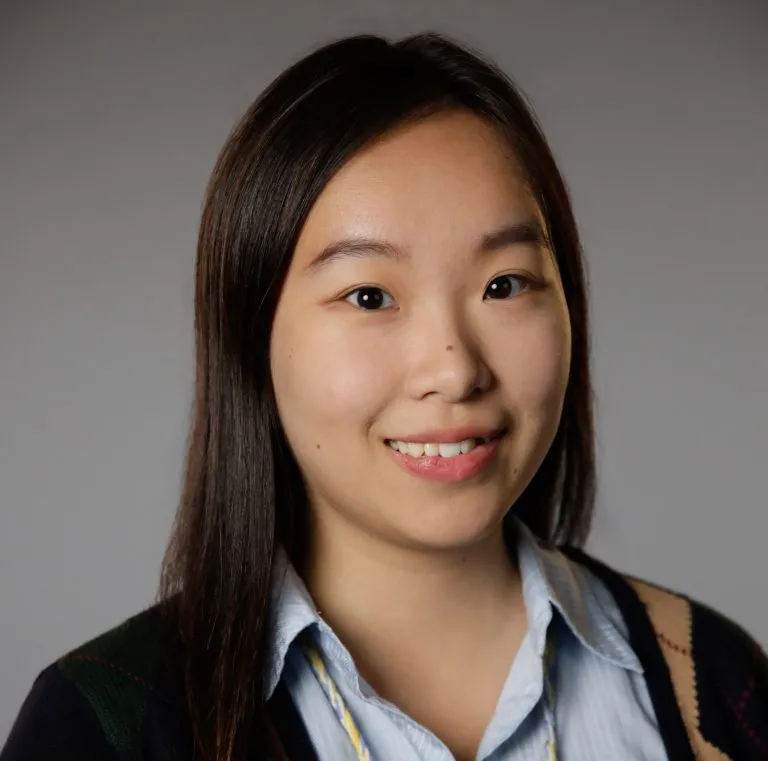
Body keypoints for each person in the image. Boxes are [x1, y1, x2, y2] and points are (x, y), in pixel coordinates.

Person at [2, 32, 766, 761]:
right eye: (369, 296)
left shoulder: (715, 680)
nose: (454, 370)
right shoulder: (105, 725)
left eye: (505, 284)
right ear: (251, 337)